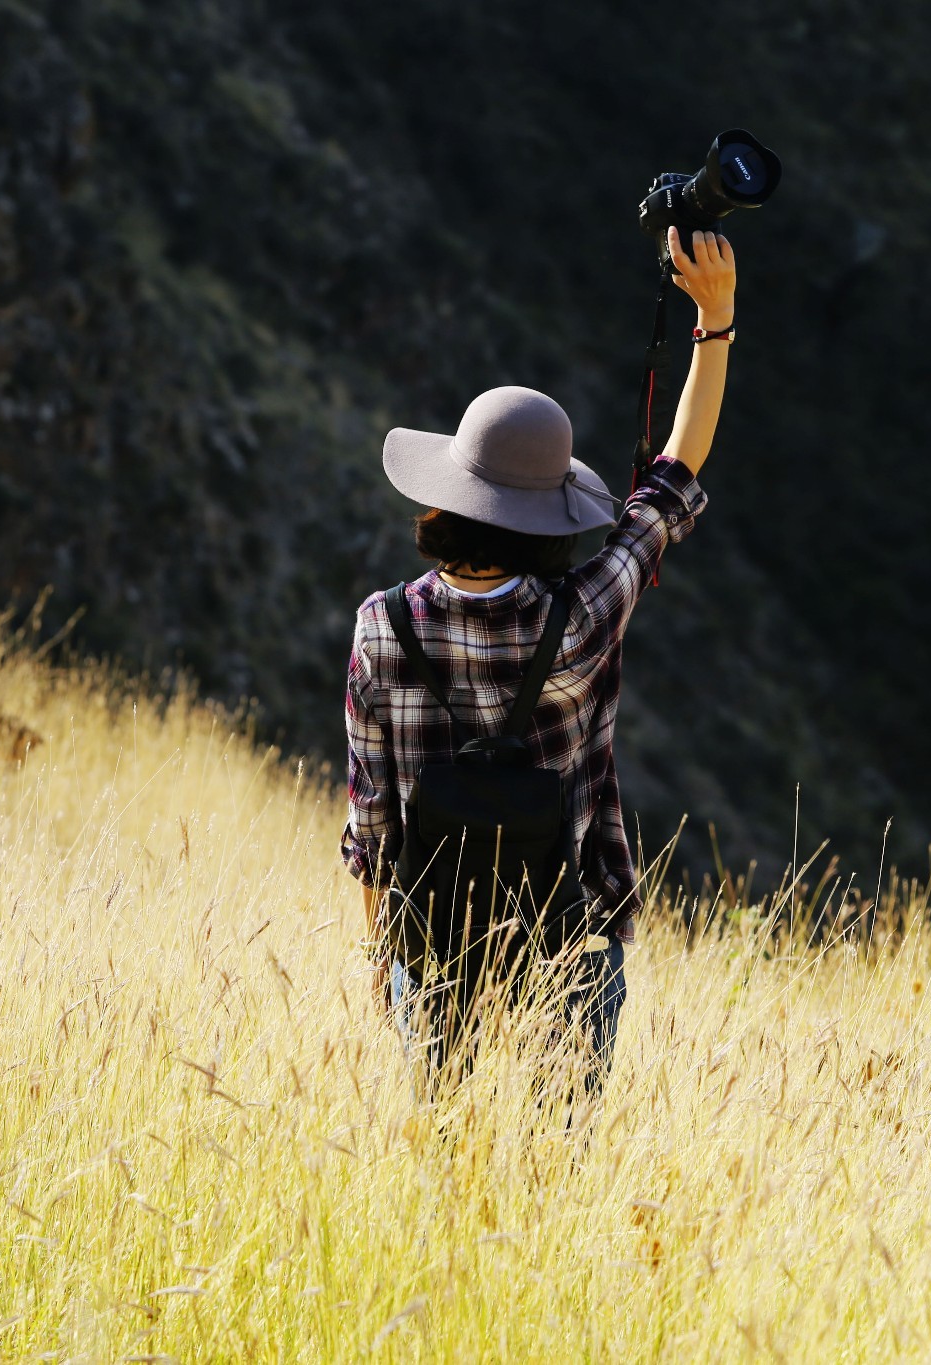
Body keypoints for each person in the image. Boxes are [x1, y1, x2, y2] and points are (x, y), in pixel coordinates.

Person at [341, 226, 737, 1092]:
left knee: (452, 1169)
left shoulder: (382, 626)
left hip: (433, 949)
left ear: (450, 496)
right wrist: (715, 320)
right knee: (551, 1181)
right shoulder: (589, 610)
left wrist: (383, 960)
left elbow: (371, 828)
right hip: (573, 936)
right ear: (551, 518)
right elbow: (675, 473)